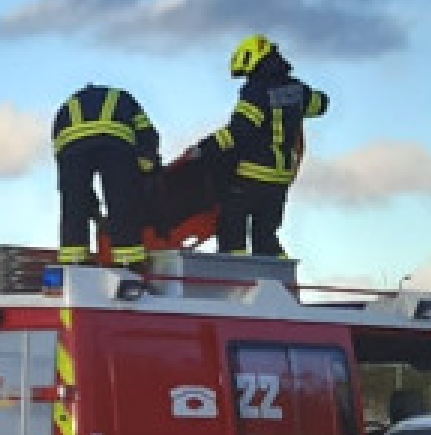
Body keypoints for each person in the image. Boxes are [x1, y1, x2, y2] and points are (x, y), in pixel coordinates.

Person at [195, 34, 330, 257]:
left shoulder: (256, 91)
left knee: (232, 230)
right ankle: (278, 283)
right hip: (280, 179)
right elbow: (322, 104)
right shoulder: (297, 90)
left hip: (251, 175)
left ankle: (236, 280)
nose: (247, 78)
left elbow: (239, 131)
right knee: (266, 237)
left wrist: (205, 148)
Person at [52, 81, 162, 270]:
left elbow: (68, 176)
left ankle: (73, 259)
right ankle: (129, 261)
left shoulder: (66, 107)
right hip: (113, 143)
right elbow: (148, 133)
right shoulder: (125, 99)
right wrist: (148, 166)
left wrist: (93, 209)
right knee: (122, 200)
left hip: (71, 148)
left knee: (73, 204)